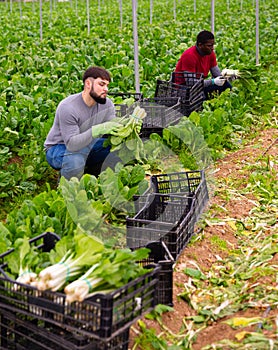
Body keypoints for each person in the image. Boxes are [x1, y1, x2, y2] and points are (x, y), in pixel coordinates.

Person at [44, 66, 121, 180]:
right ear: (88, 84)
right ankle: (68, 189)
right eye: (101, 84)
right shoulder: (68, 107)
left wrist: (127, 126)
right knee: (75, 160)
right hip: (60, 147)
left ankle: (94, 179)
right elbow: (72, 144)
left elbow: (112, 127)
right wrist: (97, 130)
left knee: (116, 148)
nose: (106, 89)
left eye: (107, 85)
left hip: (88, 143)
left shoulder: (106, 103)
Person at [174, 30, 232, 99]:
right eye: (209, 46)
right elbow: (191, 83)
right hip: (184, 89)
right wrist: (213, 81)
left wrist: (226, 77)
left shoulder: (210, 54)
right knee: (200, 97)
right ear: (200, 45)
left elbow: (217, 74)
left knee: (226, 86)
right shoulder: (189, 56)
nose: (212, 48)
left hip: (199, 86)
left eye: (213, 45)